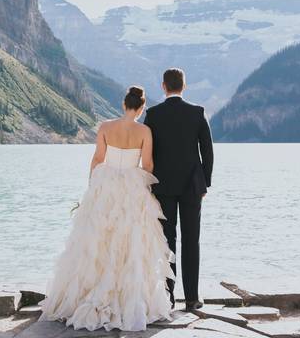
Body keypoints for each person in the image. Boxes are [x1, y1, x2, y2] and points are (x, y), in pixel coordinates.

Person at [40, 86, 174, 331]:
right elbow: (148, 164)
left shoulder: (105, 127)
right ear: (142, 108)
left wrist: (92, 185)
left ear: (124, 104)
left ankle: (90, 294)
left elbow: (98, 158)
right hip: (132, 187)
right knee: (131, 242)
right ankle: (129, 301)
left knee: (97, 242)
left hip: (106, 186)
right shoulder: (144, 130)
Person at [143, 67, 214, 311]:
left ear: (164, 86)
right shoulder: (197, 113)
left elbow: (148, 152)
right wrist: (206, 182)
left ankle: (168, 297)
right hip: (193, 186)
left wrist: (149, 181)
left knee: (167, 241)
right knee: (191, 240)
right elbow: (207, 150)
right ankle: (192, 299)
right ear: (184, 86)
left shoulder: (153, 114)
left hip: (163, 185)